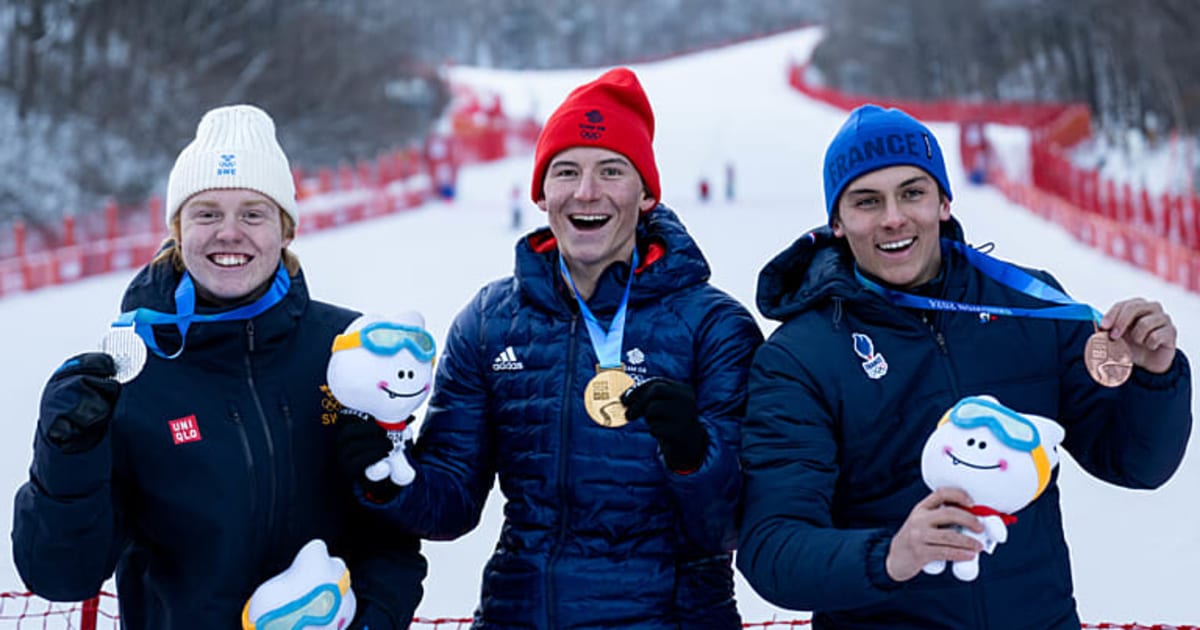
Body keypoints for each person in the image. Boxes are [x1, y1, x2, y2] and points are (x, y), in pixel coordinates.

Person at [737, 104, 1192, 629]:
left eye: (913, 192)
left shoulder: (1031, 308)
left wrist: (1155, 378)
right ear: (837, 222)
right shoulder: (799, 358)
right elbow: (772, 548)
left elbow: (1136, 464)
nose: (893, 217)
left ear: (944, 201)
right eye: (867, 201)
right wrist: (889, 555)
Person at [336, 67, 763, 628]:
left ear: (647, 194)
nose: (587, 193)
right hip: (520, 613)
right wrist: (384, 473)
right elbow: (451, 505)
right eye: (566, 172)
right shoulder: (490, 323)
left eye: (612, 171)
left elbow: (732, 527)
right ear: (541, 193)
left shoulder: (715, 327)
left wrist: (691, 454)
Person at [12, 104, 426, 629]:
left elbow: (391, 537)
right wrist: (64, 456)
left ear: (286, 230)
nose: (229, 232)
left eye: (253, 213)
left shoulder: (347, 353)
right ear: (178, 229)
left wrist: (375, 619)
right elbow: (61, 577)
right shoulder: (128, 374)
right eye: (206, 213)